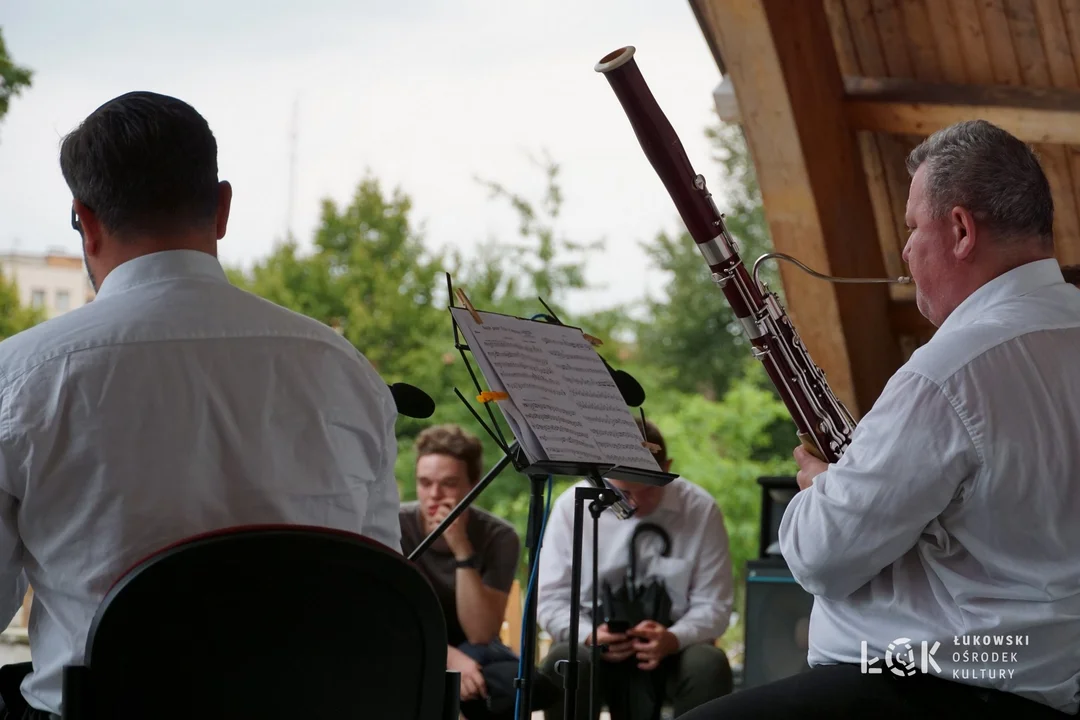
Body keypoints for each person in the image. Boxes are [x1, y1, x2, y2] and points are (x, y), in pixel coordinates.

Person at [0, 91, 401, 718]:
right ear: (222, 207)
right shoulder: (345, 370)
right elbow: (377, 591)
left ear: (86, 218)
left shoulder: (18, 377)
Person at [683, 120, 1080, 719]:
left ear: (961, 230)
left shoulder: (948, 371)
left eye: (913, 227)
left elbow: (821, 557)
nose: (906, 251)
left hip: (942, 679)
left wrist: (823, 487)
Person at [536, 418, 735, 720]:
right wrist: (589, 635)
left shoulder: (700, 510)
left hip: (673, 648)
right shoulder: (571, 507)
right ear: (604, 477)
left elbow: (714, 605)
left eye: (649, 490)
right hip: (595, 647)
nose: (636, 505)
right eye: (624, 494)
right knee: (565, 660)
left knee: (708, 663)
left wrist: (674, 637)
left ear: (666, 468)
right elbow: (550, 600)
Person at [398, 424, 541, 719]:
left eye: (448, 483)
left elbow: (481, 632)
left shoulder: (498, 536)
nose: (434, 495)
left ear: (473, 486)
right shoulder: (396, 525)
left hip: (478, 652)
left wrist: (462, 549)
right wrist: (447, 659)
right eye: (425, 483)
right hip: (411, 645)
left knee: (522, 683)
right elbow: (389, 619)